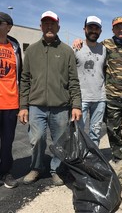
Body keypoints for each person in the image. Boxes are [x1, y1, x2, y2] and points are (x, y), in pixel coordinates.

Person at [18, 11, 82, 186]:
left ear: (58, 26)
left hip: (61, 106)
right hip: (36, 106)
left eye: (52, 23)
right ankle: (36, 168)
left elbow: (74, 81)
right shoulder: (31, 50)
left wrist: (76, 105)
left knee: (60, 141)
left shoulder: (67, 51)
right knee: (36, 138)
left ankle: (56, 170)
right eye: (45, 23)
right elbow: (24, 80)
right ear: (41, 26)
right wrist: (23, 106)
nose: (49, 26)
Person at [73, 16, 122, 161]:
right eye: (117, 27)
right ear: (112, 29)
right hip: (111, 97)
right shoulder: (106, 44)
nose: (121, 29)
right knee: (113, 131)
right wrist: (78, 40)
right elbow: (90, 45)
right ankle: (119, 157)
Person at [75, 16, 106, 146]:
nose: (93, 31)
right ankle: (78, 160)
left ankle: (93, 159)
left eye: (96, 28)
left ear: (100, 31)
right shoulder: (76, 48)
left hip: (100, 98)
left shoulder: (104, 49)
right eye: (90, 28)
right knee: (78, 132)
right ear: (84, 29)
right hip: (81, 98)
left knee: (96, 132)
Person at [0, 12, 22, 188]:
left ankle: (6, 172)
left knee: (7, 142)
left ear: (8, 26)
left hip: (10, 103)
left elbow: (20, 74)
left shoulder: (14, 46)